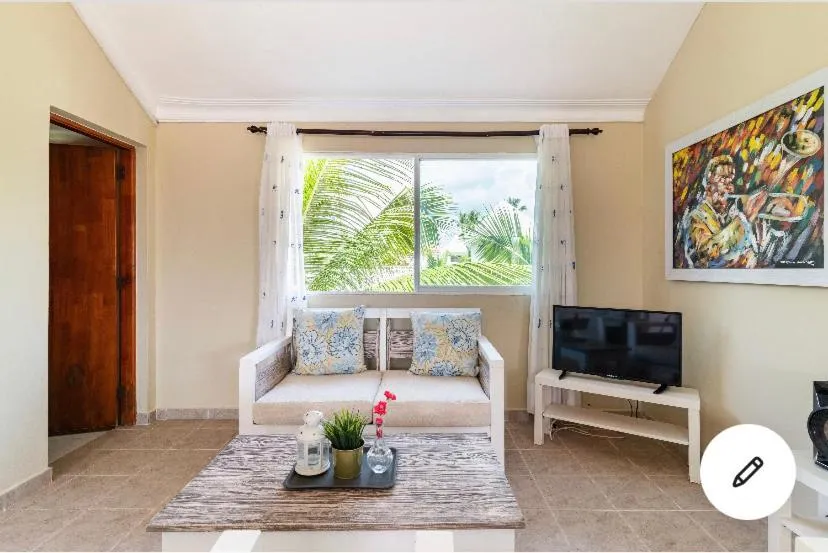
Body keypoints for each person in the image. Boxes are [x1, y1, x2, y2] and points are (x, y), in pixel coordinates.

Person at [683, 154, 768, 268]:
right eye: (723, 180)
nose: (730, 188)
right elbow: (706, 253)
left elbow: (746, 250)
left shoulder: (731, 215)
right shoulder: (696, 217)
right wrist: (743, 220)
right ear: (708, 186)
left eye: (730, 182)